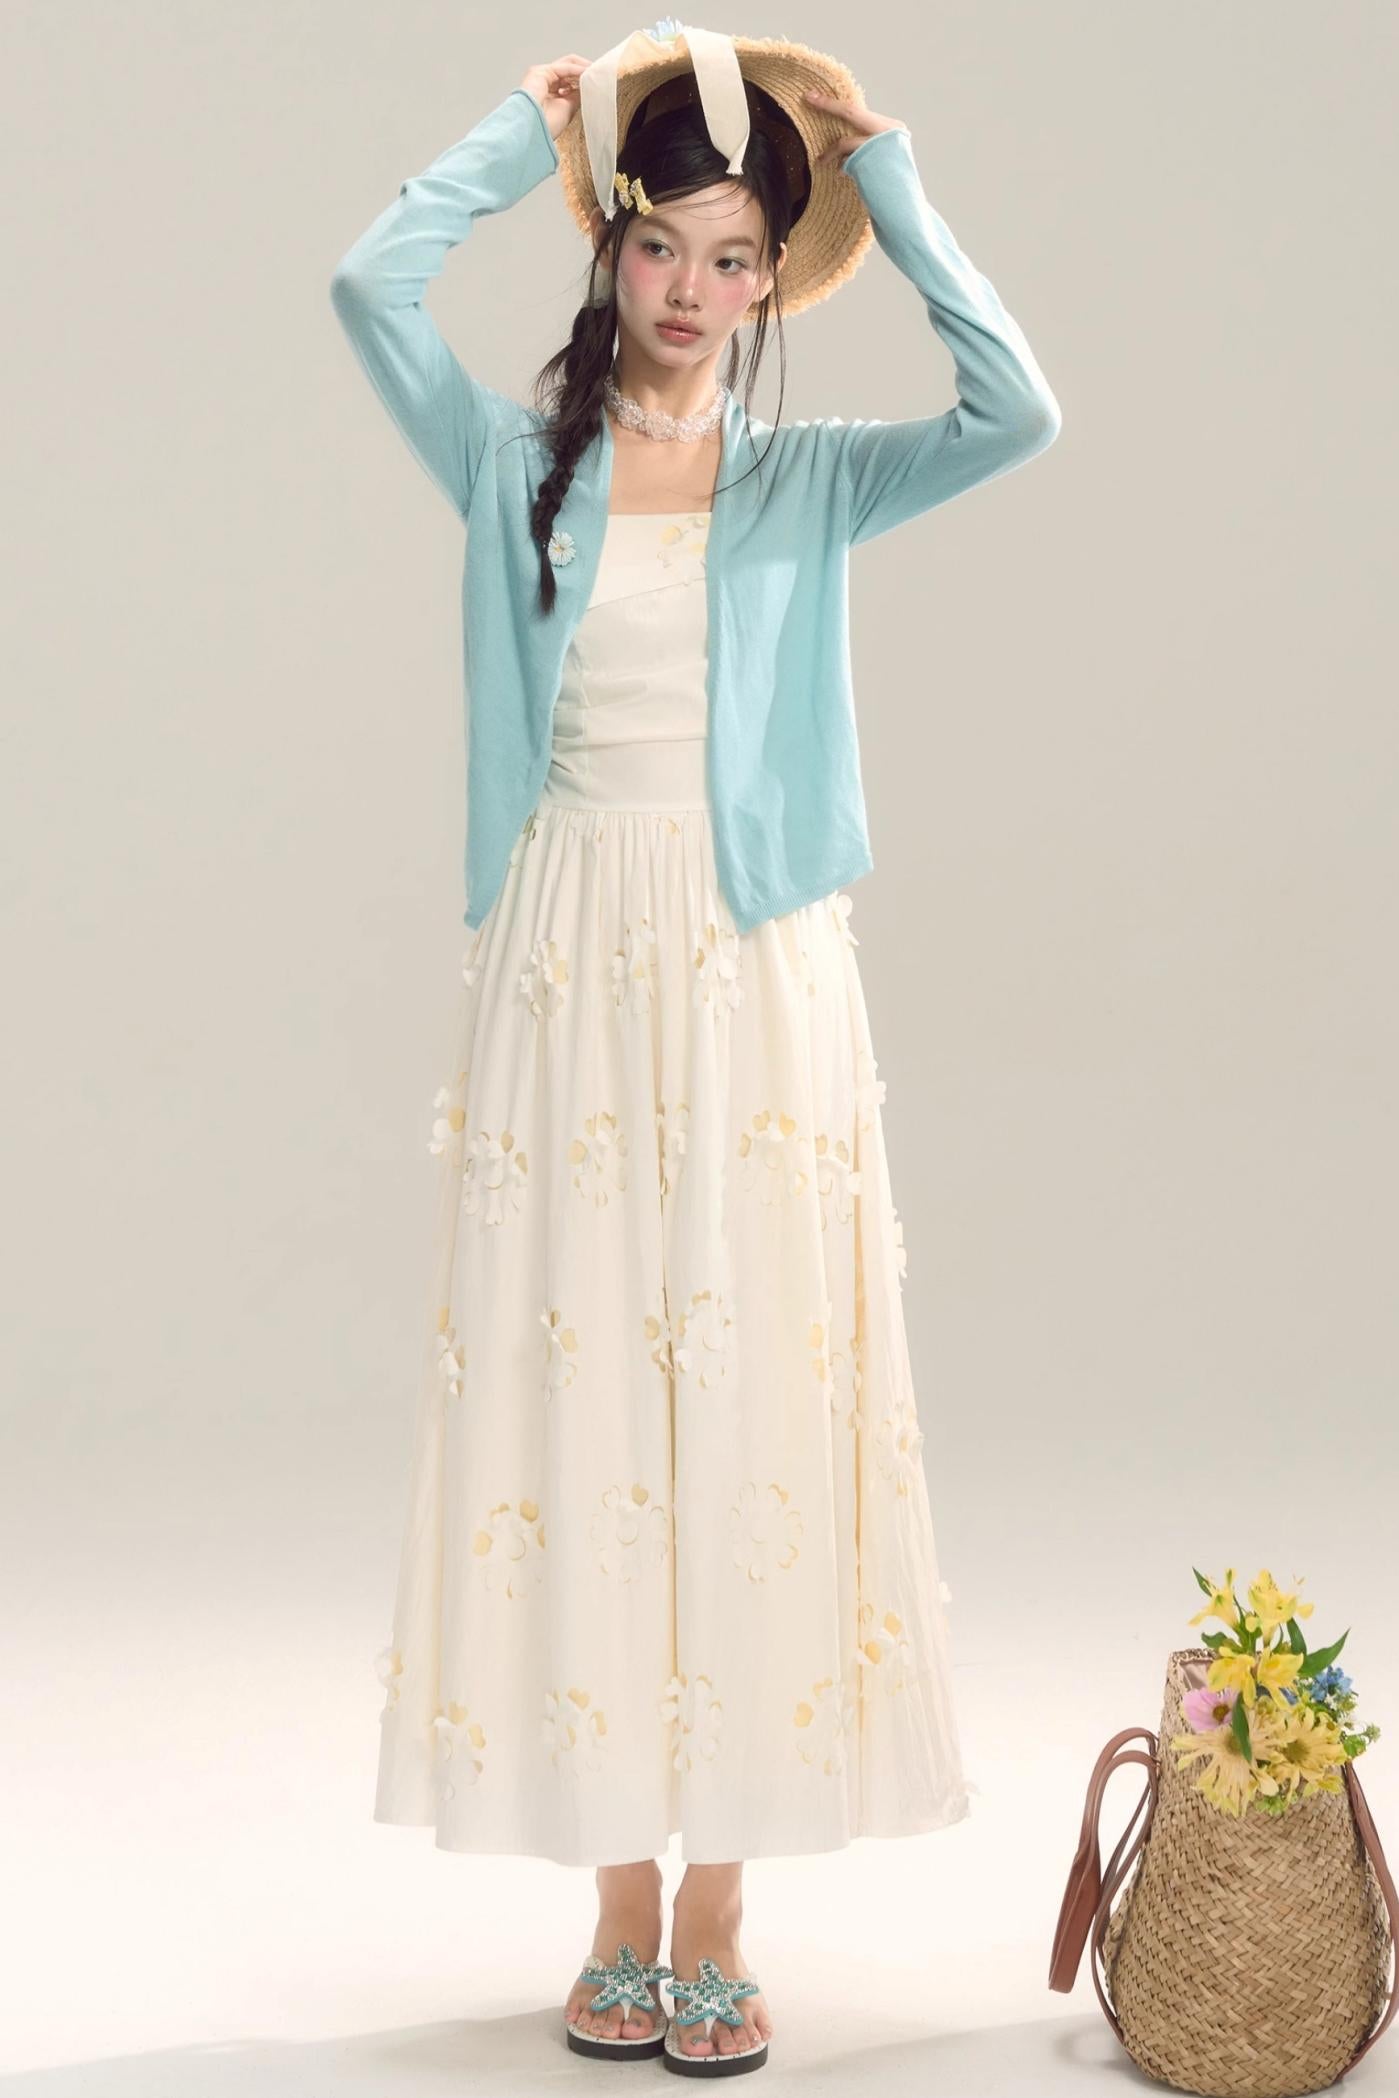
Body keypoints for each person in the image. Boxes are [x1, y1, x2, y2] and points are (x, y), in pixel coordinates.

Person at [330, 22, 1061, 2077]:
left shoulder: (811, 481)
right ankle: (618, 1906)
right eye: (661, 243)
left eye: (737, 259)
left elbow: (1019, 405)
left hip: (757, 963)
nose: (691, 288)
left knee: (748, 1391)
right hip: (568, 952)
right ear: (616, 247)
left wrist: (888, 182)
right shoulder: (514, 463)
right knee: (584, 1385)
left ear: (768, 286)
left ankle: (722, 1903)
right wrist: (530, 130)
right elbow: (366, 286)